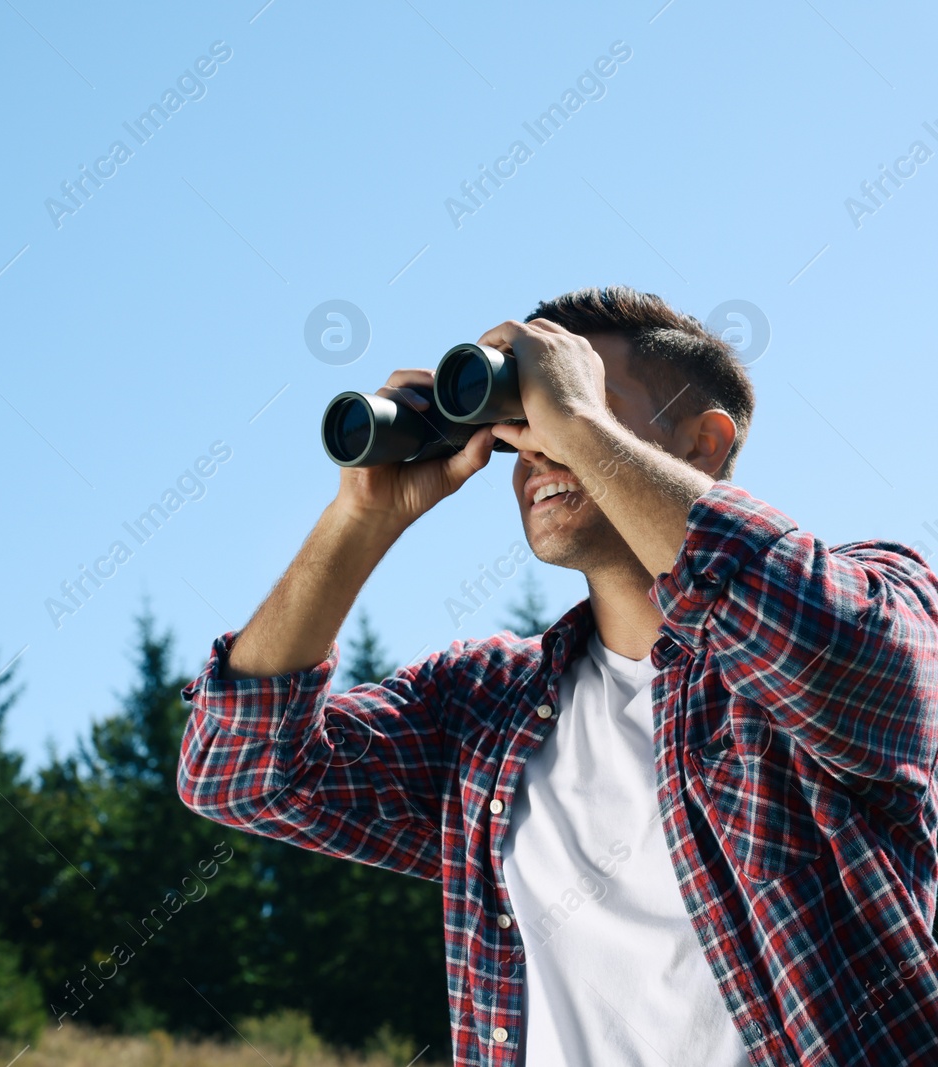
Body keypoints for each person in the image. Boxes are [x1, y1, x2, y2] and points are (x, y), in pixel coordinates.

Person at [176, 286, 938, 1065]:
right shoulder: (484, 706)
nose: (538, 447)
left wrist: (581, 426)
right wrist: (362, 516)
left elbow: (825, 644)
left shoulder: (882, 600)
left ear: (704, 444)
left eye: (574, 398)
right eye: (523, 421)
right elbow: (238, 774)